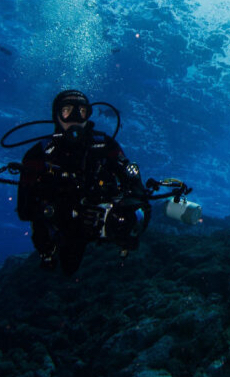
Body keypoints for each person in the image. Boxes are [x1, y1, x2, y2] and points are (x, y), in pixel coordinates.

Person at [16, 89, 151, 275]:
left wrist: (123, 211)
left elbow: (136, 189)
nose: (75, 118)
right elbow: (24, 210)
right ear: (56, 115)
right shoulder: (38, 154)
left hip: (103, 229)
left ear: (88, 114)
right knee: (65, 270)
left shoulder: (106, 145)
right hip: (61, 229)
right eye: (67, 111)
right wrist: (64, 212)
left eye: (81, 112)